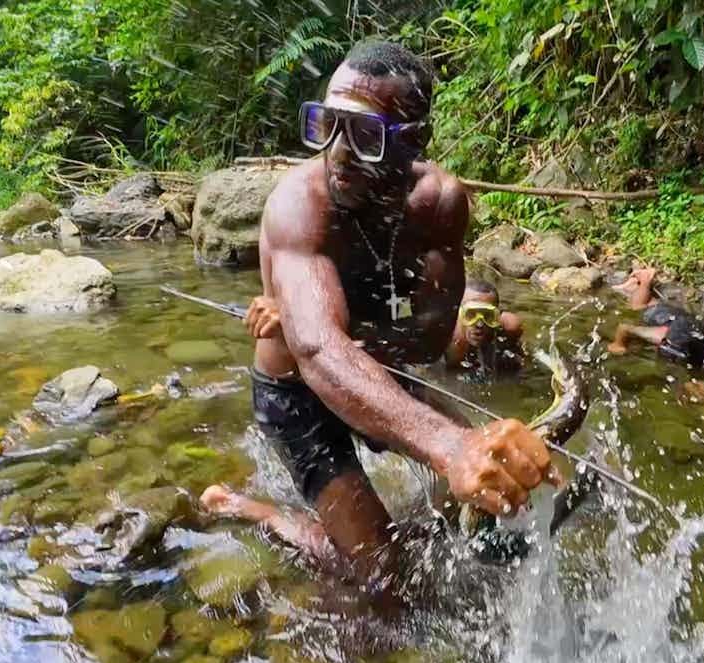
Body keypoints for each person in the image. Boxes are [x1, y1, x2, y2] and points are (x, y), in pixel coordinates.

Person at [199, 41, 553, 592]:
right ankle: (260, 513)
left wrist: (359, 343)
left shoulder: (439, 204)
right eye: (327, 126)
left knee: (475, 504)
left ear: (413, 141)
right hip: (296, 393)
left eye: (363, 134)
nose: (337, 152)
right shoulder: (300, 205)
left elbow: (433, 334)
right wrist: (450, 445)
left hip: (378, 370)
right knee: (382, 578)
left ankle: (356, 518)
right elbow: (316, 352)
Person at [605, 267, 704, 367]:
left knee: (646, 303)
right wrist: (618, 344)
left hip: (682, 318)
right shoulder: (659, 335)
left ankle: (638, 284)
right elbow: (624, 328)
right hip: (663, 316)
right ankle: (645, 279)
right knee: (638, 307)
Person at [444, 279, 525, 377]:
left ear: (497, 316)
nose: (479, 324)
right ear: (458, 313)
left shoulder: (510, 328)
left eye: (487, 315)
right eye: (471, 314)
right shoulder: (447, 339)